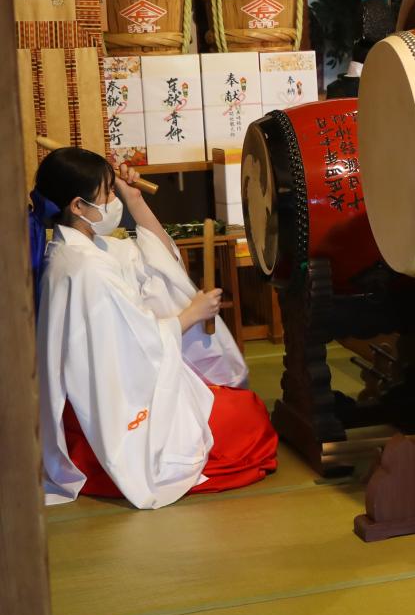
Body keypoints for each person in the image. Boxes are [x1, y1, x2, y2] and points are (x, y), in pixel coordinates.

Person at [30, 147, 278, 510]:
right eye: (108, 194)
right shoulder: (86, 269)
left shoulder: (82, 249)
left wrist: (134, 201)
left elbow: (156, 262)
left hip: (96, 400)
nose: (113, 199)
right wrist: (191, 314)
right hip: (109, 410)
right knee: (251, 424)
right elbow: (139, 344)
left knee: (243, 411)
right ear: (79, 206)